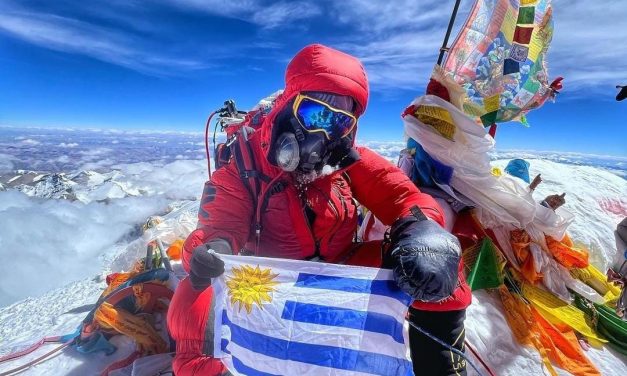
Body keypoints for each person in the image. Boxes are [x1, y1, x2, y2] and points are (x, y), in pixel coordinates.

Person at [167, 44, 471, 376]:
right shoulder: (246, 164)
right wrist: (215, 249)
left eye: (340, 123)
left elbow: (402, 196)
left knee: (435, 268)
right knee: (196, 299)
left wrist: (421, 229)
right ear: (288, 106)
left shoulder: (346, 161)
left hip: (339, 271)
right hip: (269, 284)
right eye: (316, 114)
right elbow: (220, 224)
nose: (323, 133)